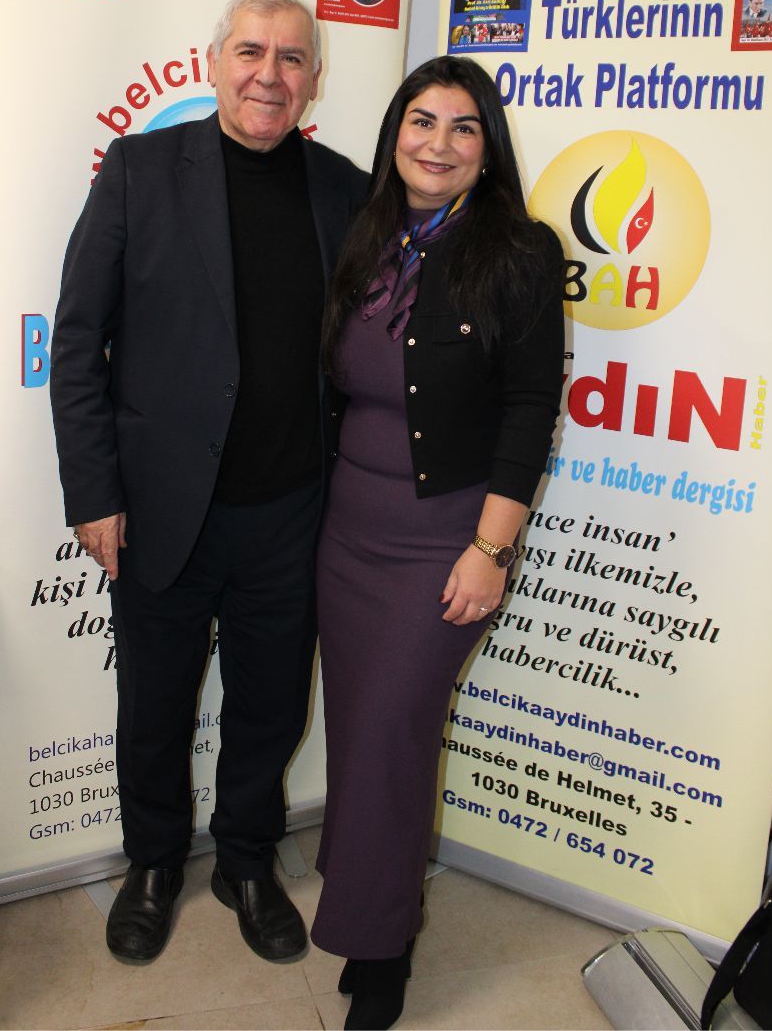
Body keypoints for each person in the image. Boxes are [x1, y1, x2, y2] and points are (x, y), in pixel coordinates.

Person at [50, 0, 367, 965]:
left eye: (290, 58)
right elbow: (77, 342)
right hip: (160, 510)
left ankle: (244, 860)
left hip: (292, 511)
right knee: (154, 706)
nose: (269, 73)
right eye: (250, 52)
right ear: (212, 62)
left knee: (269, 707)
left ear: (314, 79)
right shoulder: (140, 170)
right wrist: (94, 493)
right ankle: (152, 862)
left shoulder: (344, 190)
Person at [310, 56, 564, 1029]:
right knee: (357, 728)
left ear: (486, 149)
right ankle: (367, 897)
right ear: (394, 133)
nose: (438, 143)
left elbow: (529, 407)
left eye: (463, 127)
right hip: (348, 532)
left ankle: (381, 947)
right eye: (421, 120)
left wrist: (489, 552)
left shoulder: (519, 251)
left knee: (389, 732)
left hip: (443, 542)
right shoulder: (367, 232)